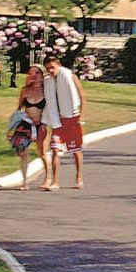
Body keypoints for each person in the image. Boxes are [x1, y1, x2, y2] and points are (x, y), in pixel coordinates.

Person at [41, 53, 86, 190]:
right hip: (57, 120)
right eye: (47, 68)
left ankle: (79, 177)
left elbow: (82, 96)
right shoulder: (48, 81)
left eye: (52, 67)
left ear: (58, 65)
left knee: (75, 150)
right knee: (55, 150)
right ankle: (55, 182)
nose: (50, 71)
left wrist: (81, 116)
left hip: (72, 117)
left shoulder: (69, 76)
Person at [12, 65, 48, 188]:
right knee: (23, 153)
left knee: (42, 152)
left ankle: (48, 178)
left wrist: (44, 124)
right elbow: (19, 108)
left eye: (37, 73)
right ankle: (25, 182)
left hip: (40, 125)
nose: (34, 75)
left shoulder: (46, 91)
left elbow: (50, 109)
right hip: (26, 125)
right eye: (31, 73)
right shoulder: (25, 90)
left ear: (42, 75)